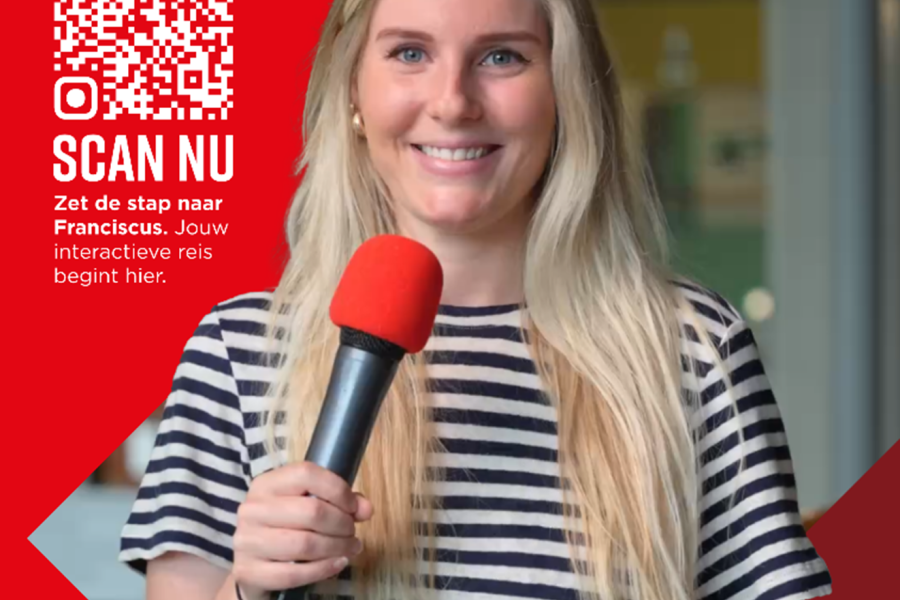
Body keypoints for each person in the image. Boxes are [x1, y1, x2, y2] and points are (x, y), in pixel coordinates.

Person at [118, 0, 833, 599]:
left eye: (502, 56)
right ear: (353, 92)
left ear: (566, 92)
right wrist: (251, 587)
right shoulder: (238, 350)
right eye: (409, 53)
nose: (453, 102)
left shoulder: (693, 348)